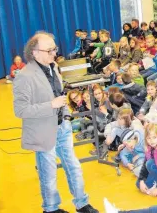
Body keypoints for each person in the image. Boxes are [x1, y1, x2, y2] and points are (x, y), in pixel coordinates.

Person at [13, 32, 98, 213]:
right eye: (50, 49)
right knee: (48, 174)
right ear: (35, 52)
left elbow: (60, 96)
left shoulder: (54, 67)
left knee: (73, 166)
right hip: (43, 132)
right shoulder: (24, 76)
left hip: (63, 127)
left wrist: (66, 115)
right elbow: (20, 110)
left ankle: (82, 203)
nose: (54, 53)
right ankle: (50, 208)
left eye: (55, 48)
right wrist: (50, 105)